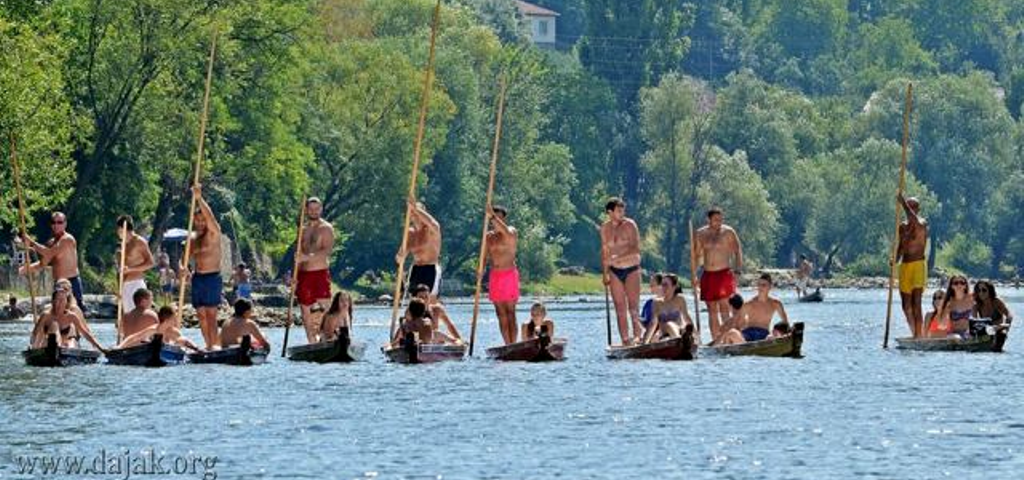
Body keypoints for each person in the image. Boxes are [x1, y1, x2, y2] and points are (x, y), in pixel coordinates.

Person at [182, 184, 224, 349]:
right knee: (201, 314)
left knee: (211, 314)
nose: (200, 223)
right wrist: (183, 269)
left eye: (202, 220)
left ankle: (215, 345)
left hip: (212, 277)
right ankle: (208, 345)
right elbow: (183, 259)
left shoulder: (214, 233)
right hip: (198, 278)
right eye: (197, 220)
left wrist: (199, 199)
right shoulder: (192, 239)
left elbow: (211, 217)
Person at [18, 211, 86, 308]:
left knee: (75, 313)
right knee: (57, 315)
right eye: (53, 222)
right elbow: (42, 264)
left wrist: (31, 243)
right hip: (58, 284)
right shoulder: (51, 243)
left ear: (65, 224)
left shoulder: (67, 239)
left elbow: (48, 253)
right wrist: (22, 270)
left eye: (59, 222)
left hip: (71, 282)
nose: (56, 225)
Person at [695, 207, 743, 340]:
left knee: (725, 308)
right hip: (708, 274)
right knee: (711, 310)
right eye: (716, 220)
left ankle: (728, 338)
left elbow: (738, 251)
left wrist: (738, 271)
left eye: (721, 220)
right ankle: (716, 339)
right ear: (708, 219)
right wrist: (694, 274)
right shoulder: (701, 234)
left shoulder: (728, 232)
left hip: (724, 274)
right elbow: (696, 255)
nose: (719, 222)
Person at [600, 197, 643, 346]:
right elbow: (605, 252)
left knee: (633, 306)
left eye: (623, 210)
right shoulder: (605, 228)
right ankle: (625, 339)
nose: (622, 213)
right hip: (614, 271)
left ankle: (638, 336)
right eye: (619, 211)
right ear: (610, 212)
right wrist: (605, 273)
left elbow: (635, 249)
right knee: (619, 307)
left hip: (631, 268)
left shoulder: (630, 225)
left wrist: (618, 258)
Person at [296, 197, 335, 343]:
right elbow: (299, 254)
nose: (313, 211)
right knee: (305, 310)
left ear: (321, 209)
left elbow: (326, 251)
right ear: (306, 210)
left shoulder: (326, 228)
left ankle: (330, 336)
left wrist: (306, 258)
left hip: (319, 273)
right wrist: (295, 276)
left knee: (326, 308)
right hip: (303, 275)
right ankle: (311, 340)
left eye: (316, 208)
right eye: (310, 209)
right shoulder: (302, 229)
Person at [29, 284, 105, 352]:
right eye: (57, 300)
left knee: (71, 342)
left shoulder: (71, 316)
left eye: (62, 300)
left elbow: (85, 333)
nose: (59, 303)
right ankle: (56, 346)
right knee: (54, 325)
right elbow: (35, 333)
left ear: (66, 302)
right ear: (53, 301)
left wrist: (100, 348)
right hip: (47, 344)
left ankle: (62, 349)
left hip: (65, 346)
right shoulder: (46, 315)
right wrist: (33, 347)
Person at [895, 192, 928, 337]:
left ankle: (919, 335)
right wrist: (895, 259)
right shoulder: (903, 226)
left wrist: (903, 203)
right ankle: (914, 332)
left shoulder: (922, 223)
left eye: (914, 206)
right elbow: (901, 245)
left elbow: (915, 222)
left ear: (918, 209)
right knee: (905, 306)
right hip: (905, 266)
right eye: (909, 205)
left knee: (916, 303)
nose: (911, 208)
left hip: (918, 265)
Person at [485, 205, 519, 344]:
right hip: (495, 275)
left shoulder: (511, 231)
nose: (495, 222)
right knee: (500, 314)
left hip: (509, 274)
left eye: (498, 218)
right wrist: (479, 269)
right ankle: (507, 344)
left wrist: (492, 216)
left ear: (503, 218)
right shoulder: (489, 236)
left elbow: (505, 230)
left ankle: (514, 343)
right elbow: (485, 255)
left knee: (510, 312)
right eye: (493, 218)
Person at [399, 200, 443, 298]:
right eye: (411, 213)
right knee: (415, 303)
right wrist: (400, 257)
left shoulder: (432, 229)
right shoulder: (410, 233)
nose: (414, 215)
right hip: (416, 269)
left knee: (429, 302)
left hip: (430, 269)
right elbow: (401, 254)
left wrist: (415, 208)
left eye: (417, 212)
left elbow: (433, 223)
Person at [117, 305, 201, 351]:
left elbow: (184, 340)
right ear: (168, 319)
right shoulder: (153, 329)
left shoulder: (173, 332)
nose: (176, 321)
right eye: (174, 318)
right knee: (145, 341)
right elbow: (134, 337)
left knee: (179, 342)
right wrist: (120, 347)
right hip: (153, 348)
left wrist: (196, 348)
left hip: (168, 351)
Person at [116, 215, 155, 312]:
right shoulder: (123, 244)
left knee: (140, 315)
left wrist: (131, 269)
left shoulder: (139, 242)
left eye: (118, 229)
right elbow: (120, 270)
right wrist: (119, 289)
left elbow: (150, 263)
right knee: (128, 318)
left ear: (122, 229)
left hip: (136, 284)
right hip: (125, 286)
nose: (117, 232)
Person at [642, 274, 693, 344]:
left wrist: (697, 337)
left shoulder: (680, 299)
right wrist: (645, 342)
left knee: (680, 326)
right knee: (668, 325)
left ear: (674, 287)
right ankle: (678, 339)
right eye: (662, 285)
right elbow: (653, 323)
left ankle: (683, 338)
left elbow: (686, 317)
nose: (663, 287)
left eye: (666, 285)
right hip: (663, 333)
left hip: (680, 329)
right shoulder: (656, 302)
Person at [737, 273, 789, 342]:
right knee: (732, 333)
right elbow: (738, 325)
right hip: (748, 333)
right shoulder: (748, 304)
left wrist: (785, 334)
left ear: (770, 287)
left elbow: (785, 322)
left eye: (763, 285)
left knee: (771, 337)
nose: (760, 287)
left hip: (764, 334)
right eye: (759, 285)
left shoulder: (775, 304)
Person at [639, 272, 664, 339]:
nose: (650, 286)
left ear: (661, 285)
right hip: (651, 334)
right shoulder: (648, 303)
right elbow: (645, 323)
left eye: (652, 285)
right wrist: (637, 318)